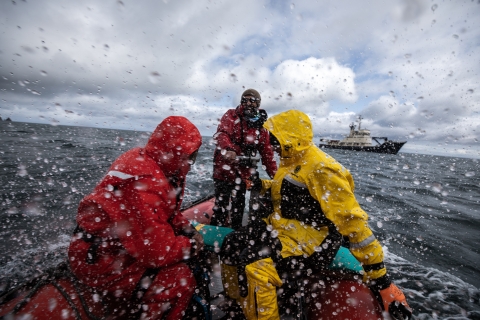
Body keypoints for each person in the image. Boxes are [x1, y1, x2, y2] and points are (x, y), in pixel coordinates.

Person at [235, 110, 413, 320]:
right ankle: (241, 303)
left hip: (317, 243)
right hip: (288, 231)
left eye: (274, 138)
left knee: (257, 266)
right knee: (232, 244)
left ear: (288, 137)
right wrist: (261, 185)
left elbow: (353, 224)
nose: (271, 143)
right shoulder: (291, 159)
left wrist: (381, 280)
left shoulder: (322, 169)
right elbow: (284, 190)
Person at [68, 116, 204, 320]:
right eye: (190, 157)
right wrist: (191, 245)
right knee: (181, 280)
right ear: (176, 152)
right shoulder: (145, 182)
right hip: (101, 260)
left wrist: (188, 231)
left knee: (189, 259)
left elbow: (169, 214)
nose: (192, 163)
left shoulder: (159, 167)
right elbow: (156, 253)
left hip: (122, 245)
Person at [211, 88, 277, 230]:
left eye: (252, 100)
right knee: (221, 207)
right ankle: (215, 236)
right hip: (223, 170)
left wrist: (276, 177)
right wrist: (228, 149)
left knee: (238, 207)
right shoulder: (231, 116)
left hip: (242, 173)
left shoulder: (262, 127)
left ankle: (234, 235)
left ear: (258, 104)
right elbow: (222, 133)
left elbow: (267, 154)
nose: (248, 103)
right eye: (244, 100)